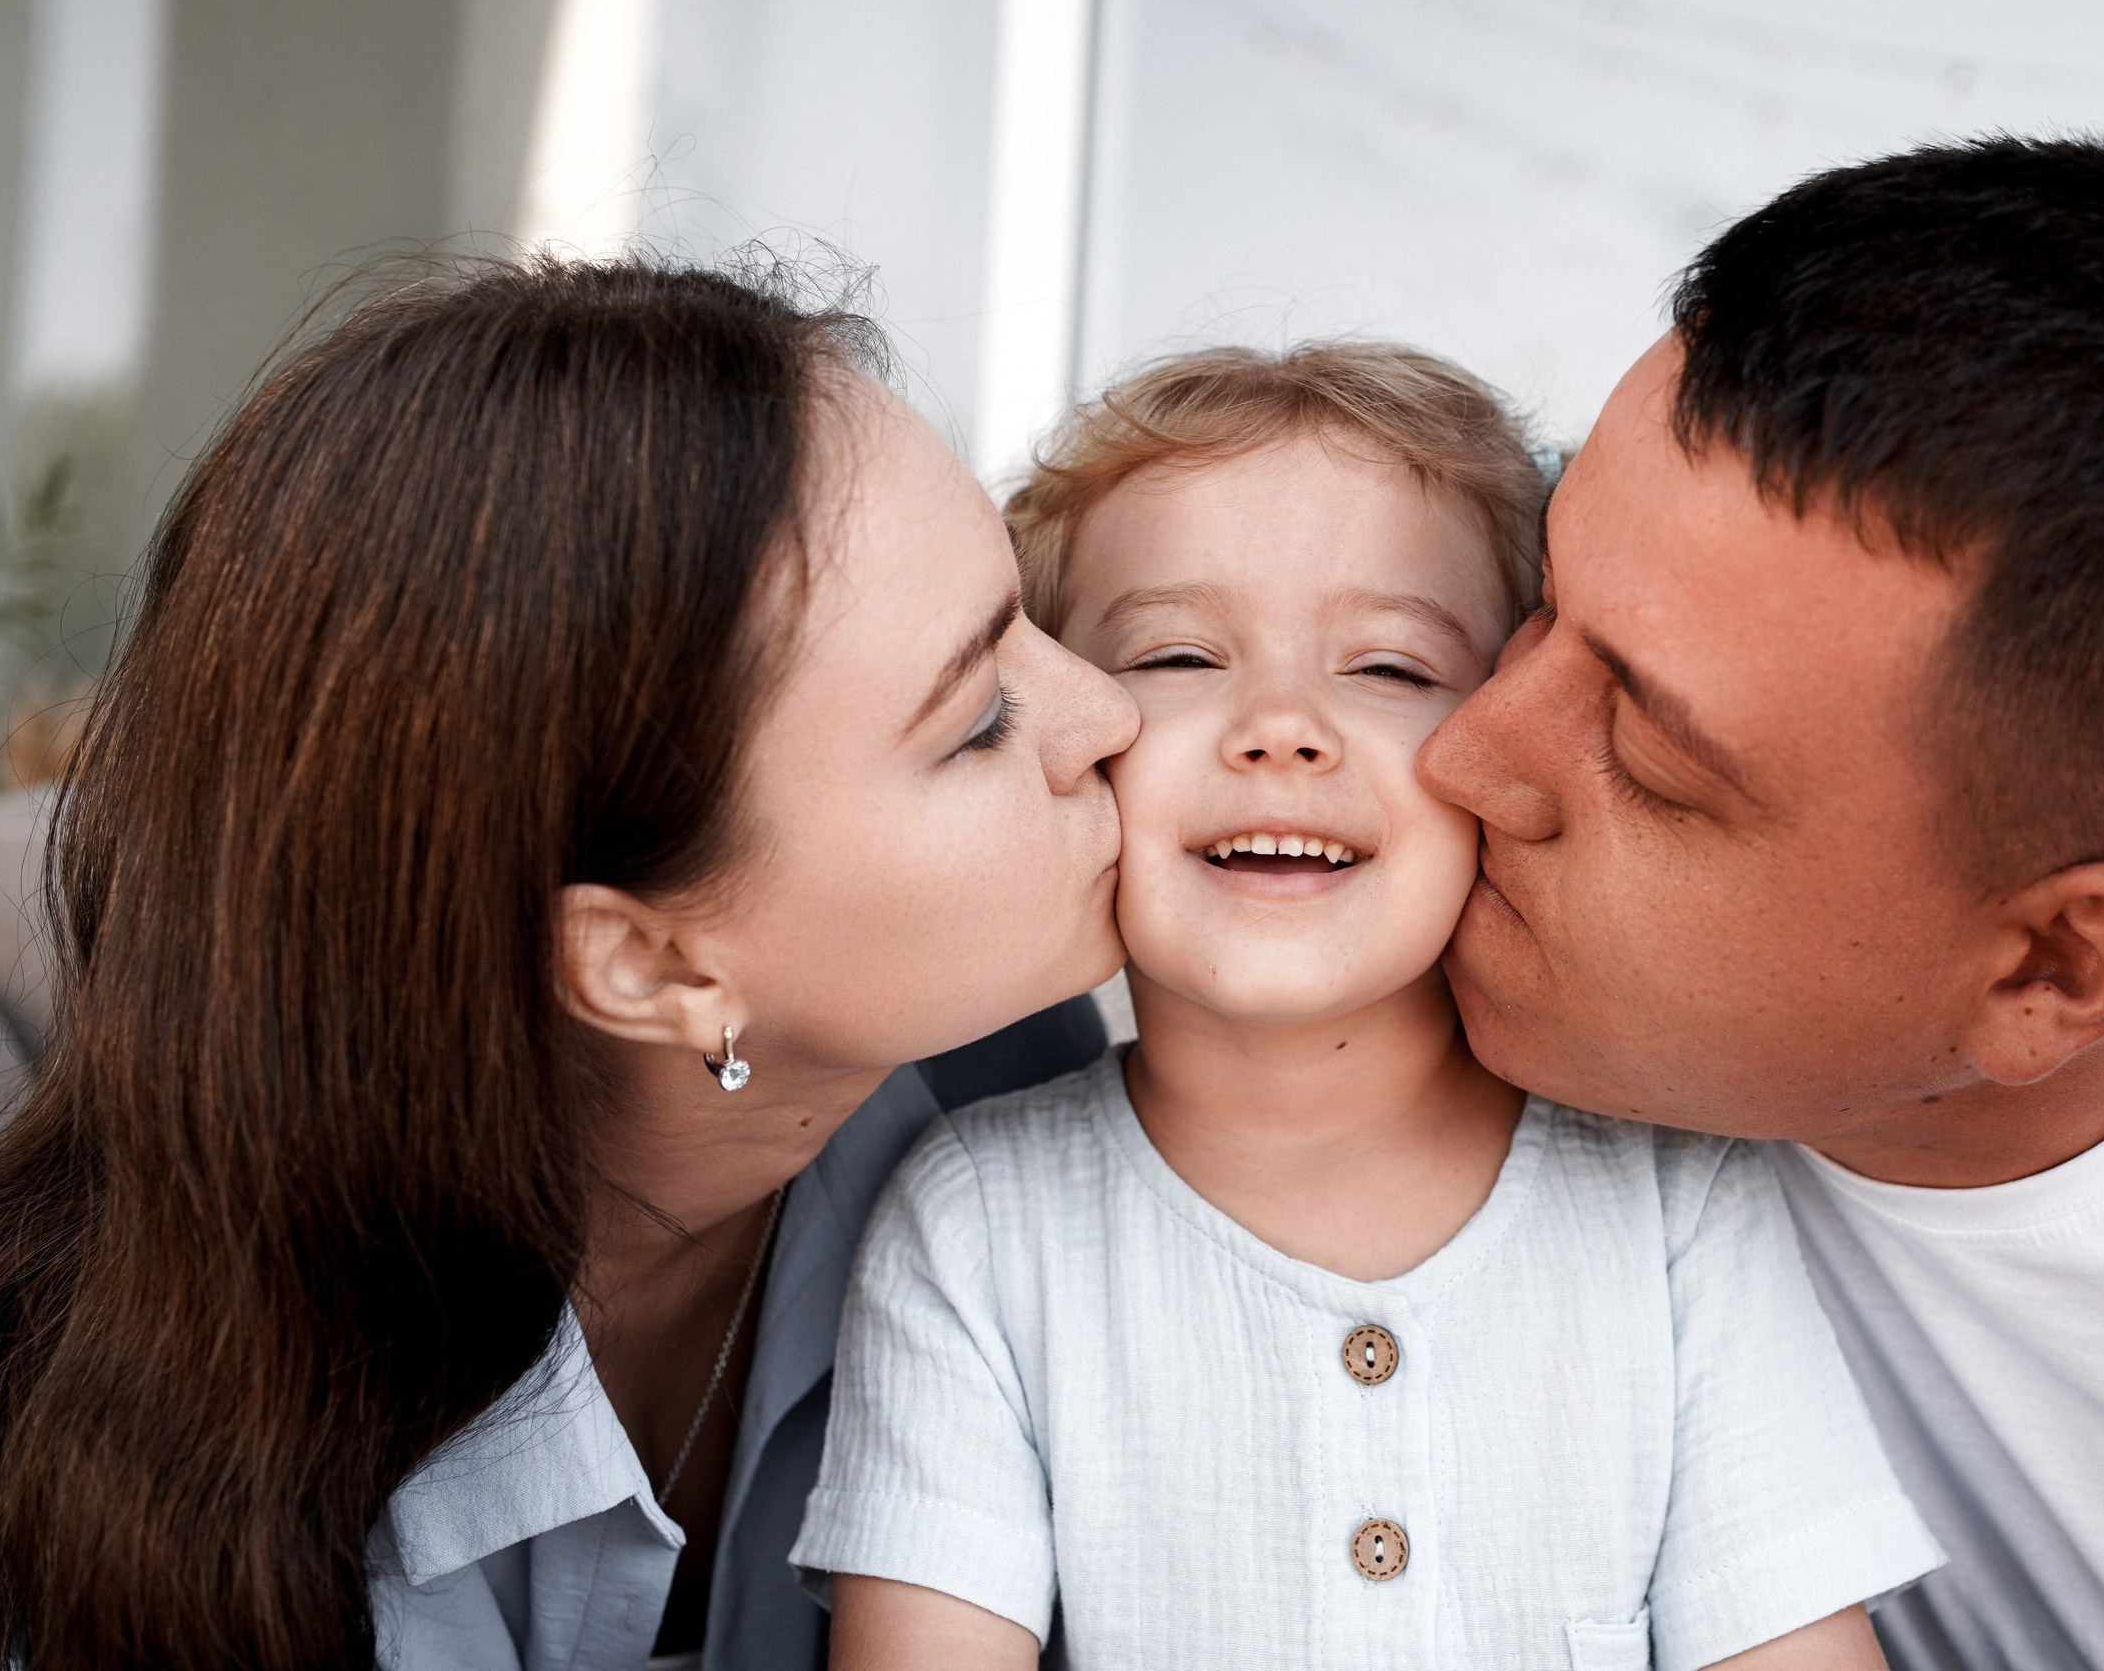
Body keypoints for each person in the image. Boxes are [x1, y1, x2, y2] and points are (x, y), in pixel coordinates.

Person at [1416, 136, 2104, 1671]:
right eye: (1538, 600)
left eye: (1653, 760)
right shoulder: (1384, 931)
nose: (1467, 757)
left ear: (2050, 973)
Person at [0, 259, 1138, 1671]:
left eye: (1036, 620)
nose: (1110, 712)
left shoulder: (1046, 1095)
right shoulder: (87, 1486)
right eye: (977, 722)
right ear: (650, 968)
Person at [794, 343, 1942, 1670]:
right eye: (1177, 654)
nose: (1280, 725)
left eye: (1391, 668)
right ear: (1065, 735)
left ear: (1509, 739)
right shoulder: (977, 1226)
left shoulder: (1680, 1200)